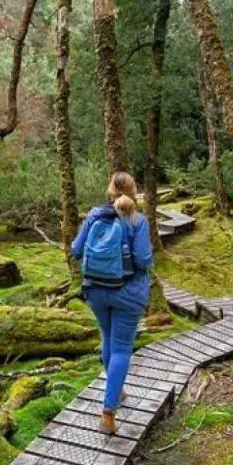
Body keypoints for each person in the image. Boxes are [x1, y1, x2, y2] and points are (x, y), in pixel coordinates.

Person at [71, 171, 153, 434]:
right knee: (120, 349)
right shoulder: (138, 220)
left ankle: (116, 391)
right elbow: (142, 260)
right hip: (128, 293)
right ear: (133, 192)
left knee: (107, 338)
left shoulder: (95, 214)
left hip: (95, 289)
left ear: (109, 191)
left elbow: (75, 250)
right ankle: (108, 414)